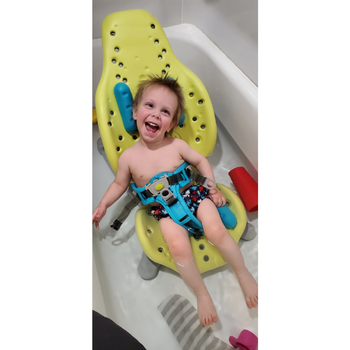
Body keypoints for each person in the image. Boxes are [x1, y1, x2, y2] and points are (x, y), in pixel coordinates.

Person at [92, 74, 258, 326]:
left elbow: (201, 161)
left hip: (193, 195)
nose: (156, 114)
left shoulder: (176, 145)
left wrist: (212, 188)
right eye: (149, 106)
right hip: (164, 210)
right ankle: (202, 294)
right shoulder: (128, 157)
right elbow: (119, 184)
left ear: (170, 124)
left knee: (216, 230)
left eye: (165, 111)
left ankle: (242, 272)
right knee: (178, 247)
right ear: (134, 112)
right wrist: (103, 204)